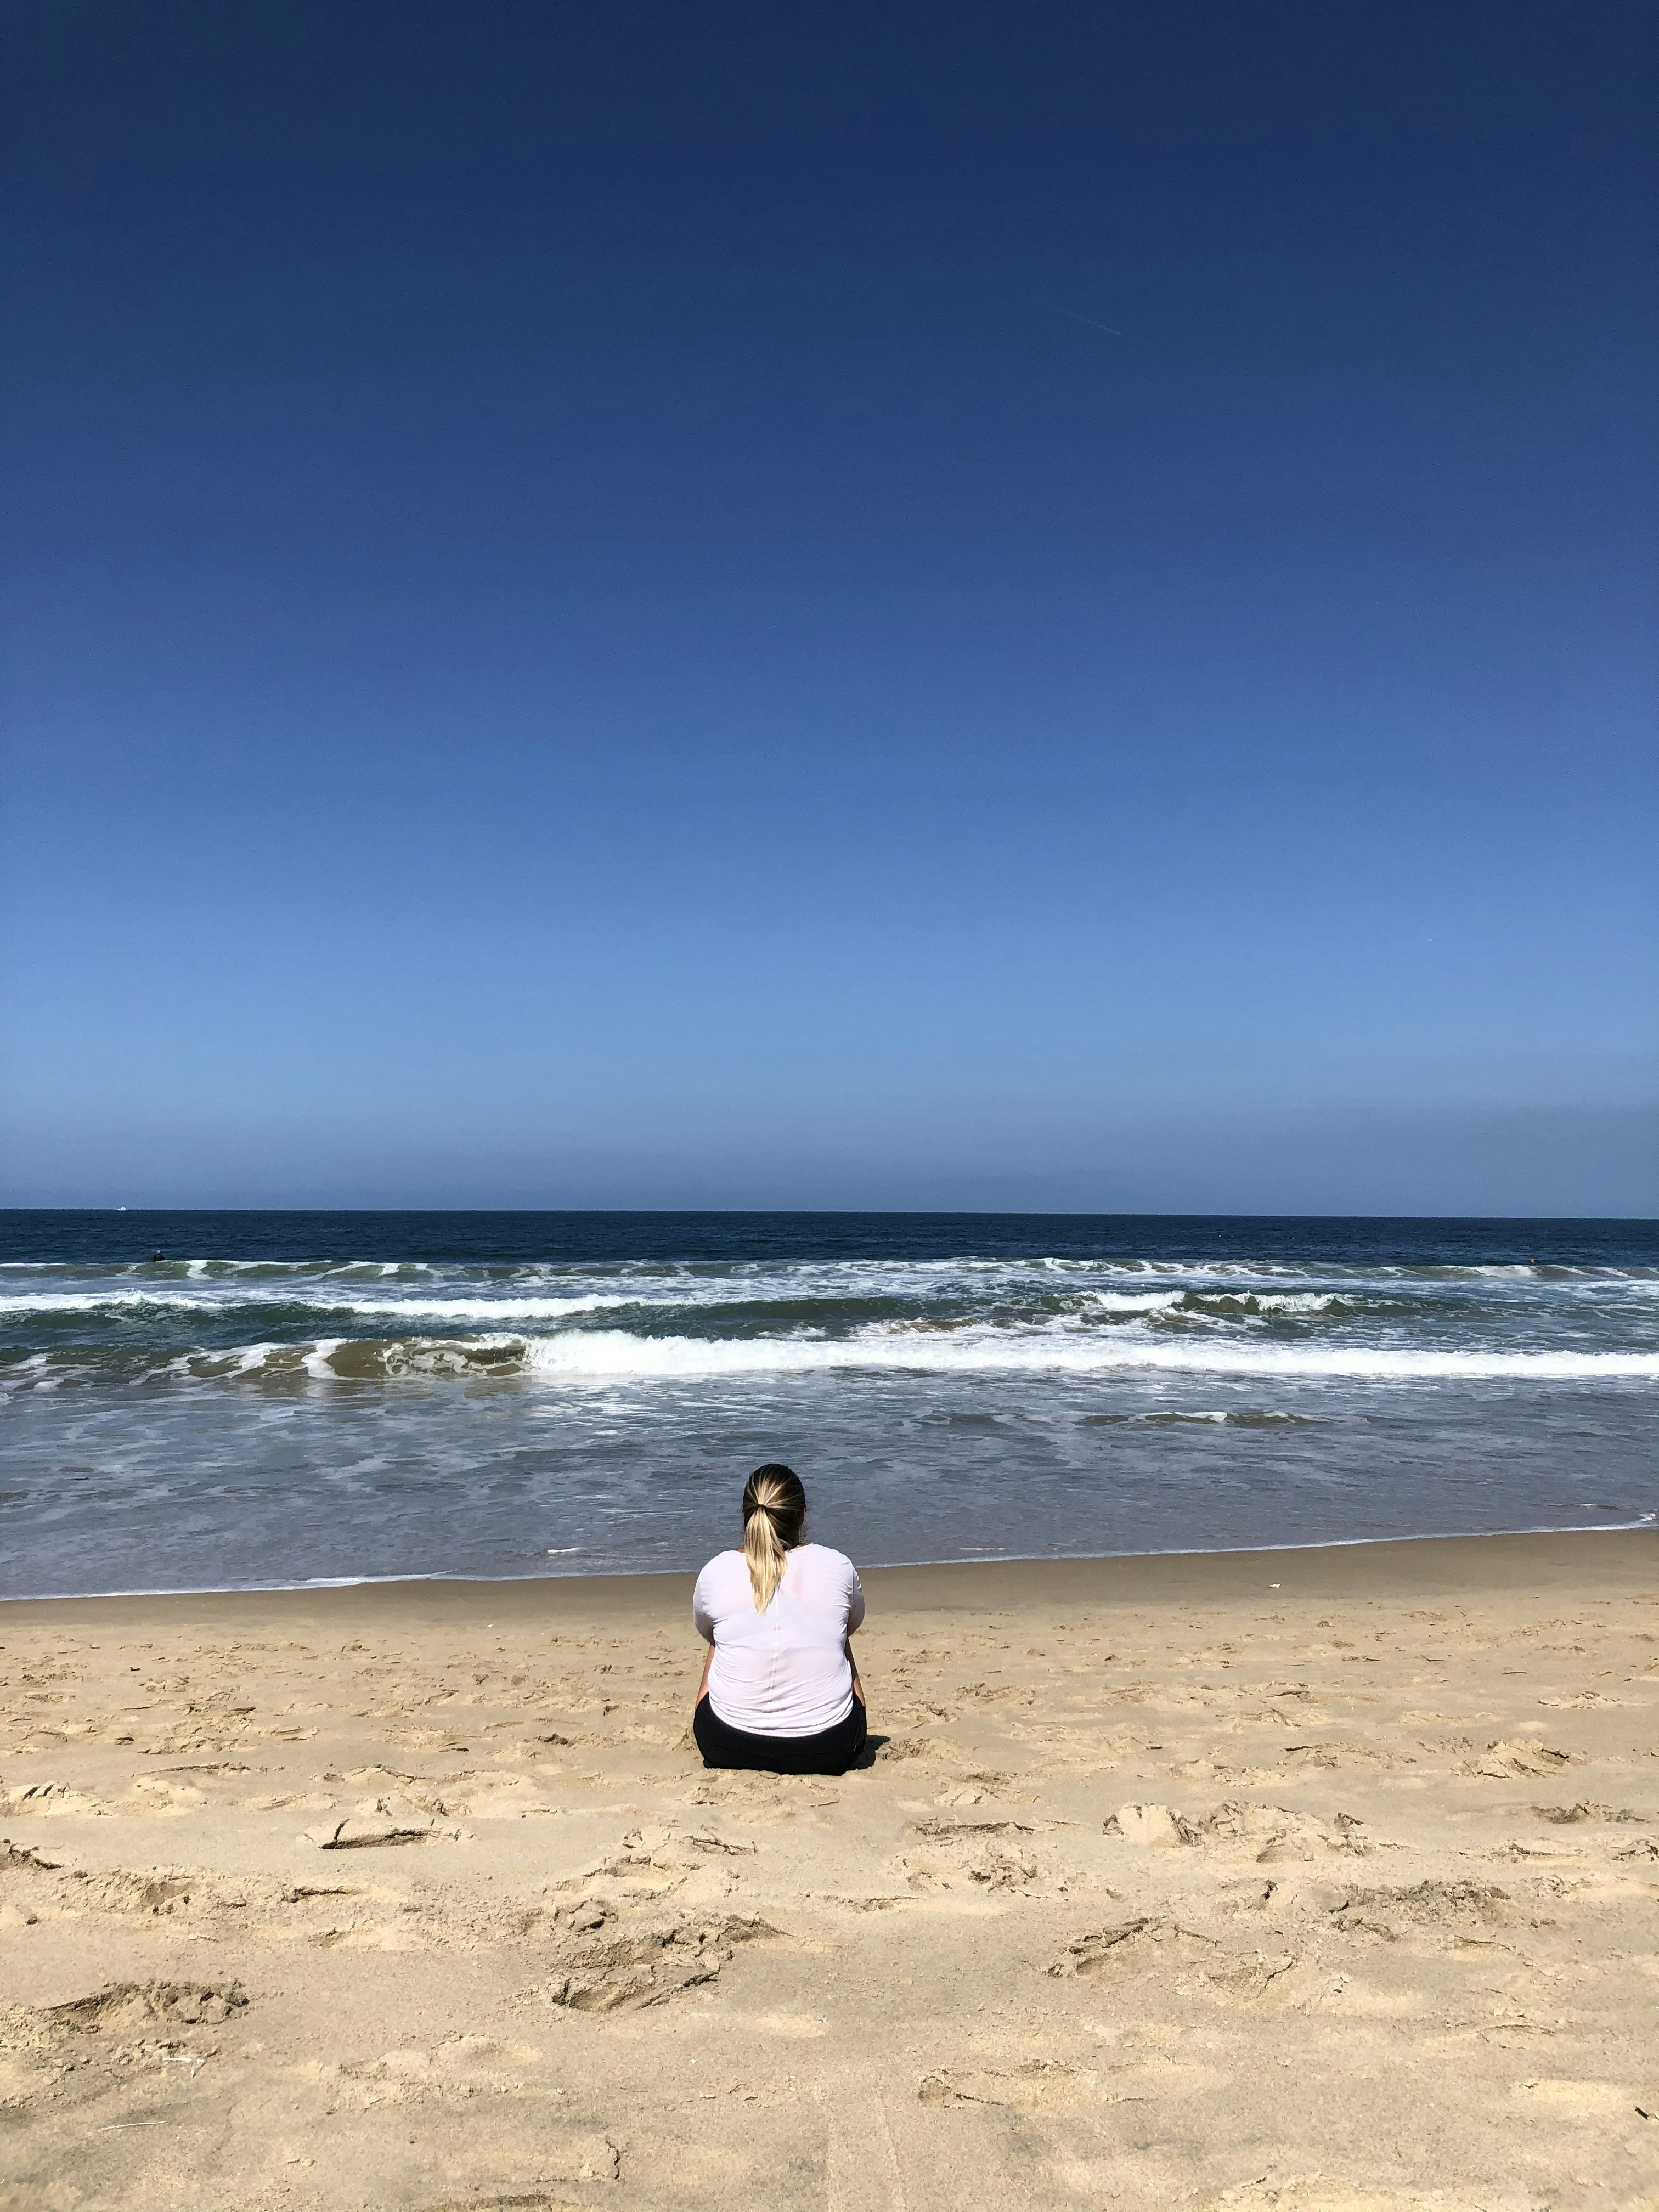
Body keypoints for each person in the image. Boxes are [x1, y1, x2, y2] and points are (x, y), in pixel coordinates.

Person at [691, 1464, 867, 1776]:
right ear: (802, 1516)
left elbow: (706, 1631)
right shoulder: (837, 1566)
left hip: (724, 1742)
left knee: (722, 1635)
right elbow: (852, 1625)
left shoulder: (716, 1570)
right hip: (830, 1747)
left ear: (746, 1515)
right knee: (838, 1634)